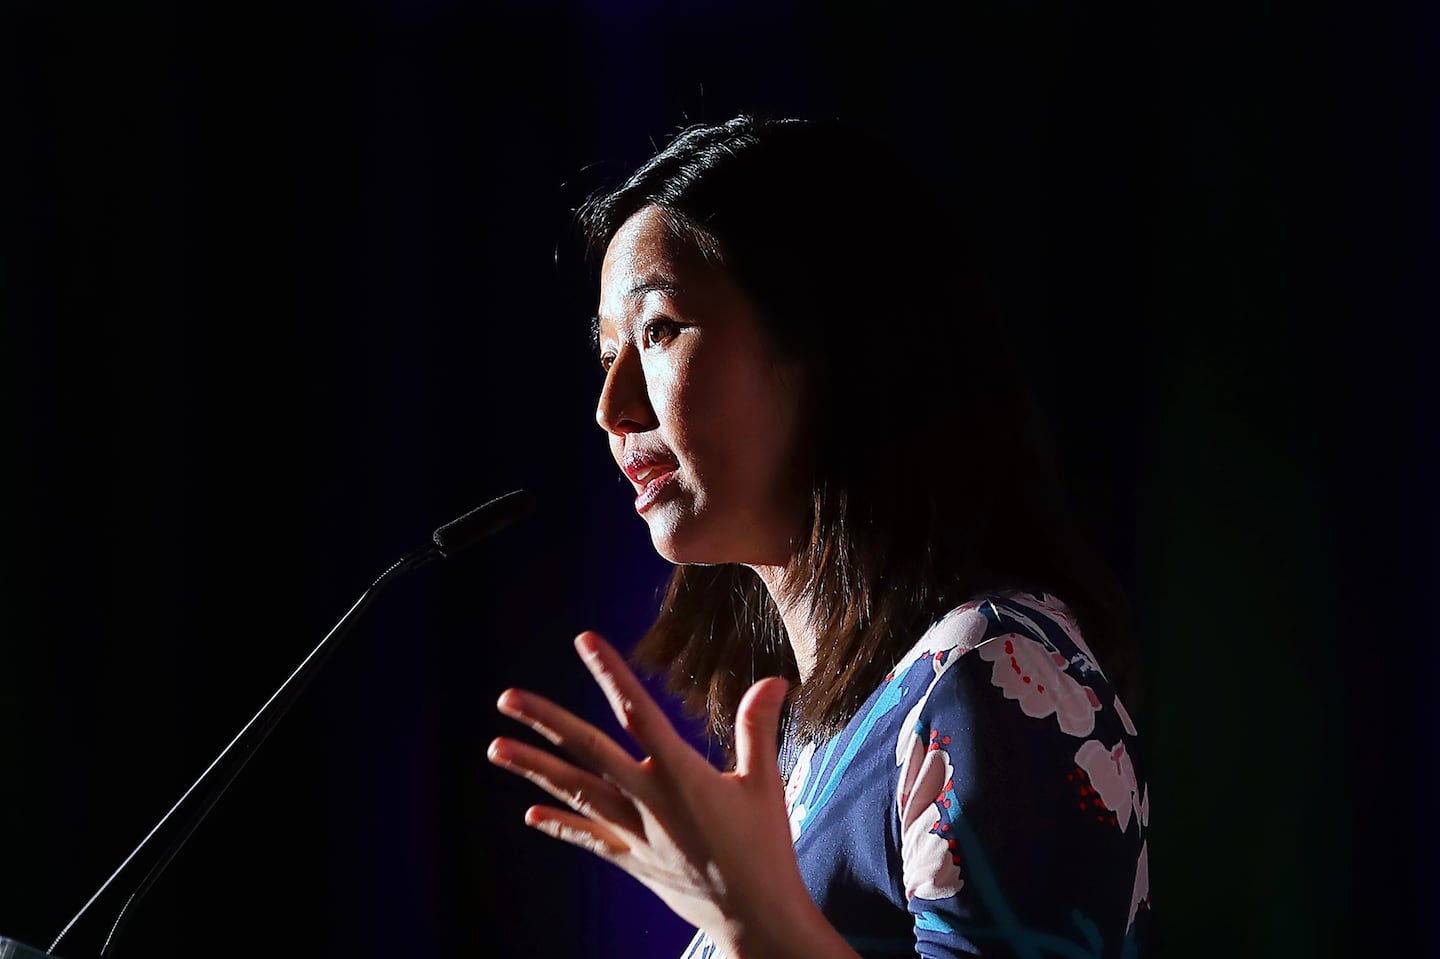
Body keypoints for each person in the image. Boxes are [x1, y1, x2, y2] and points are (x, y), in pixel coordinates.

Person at [487, 115, 1151, 959]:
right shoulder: (810, 739)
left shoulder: (995, 669)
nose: (611, 407)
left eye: (657, 331)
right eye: (607, 350)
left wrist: (752, 921)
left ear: (830, 337)